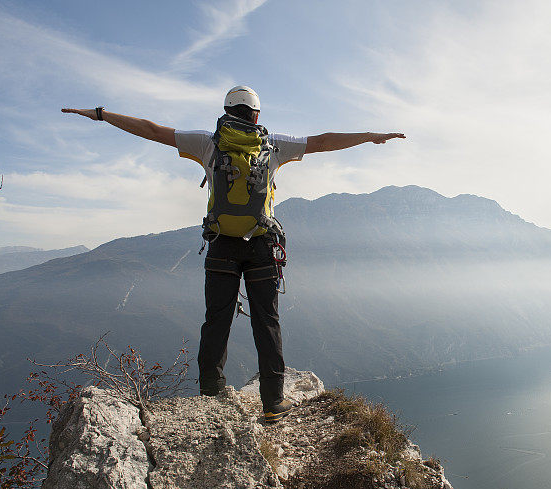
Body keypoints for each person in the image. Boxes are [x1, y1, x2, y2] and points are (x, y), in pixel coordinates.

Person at [62, 86, 405, 423]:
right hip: (261, 245)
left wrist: (101, 114)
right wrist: (371, 136)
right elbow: (325, 141)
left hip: (221, 245)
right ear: (257, 114)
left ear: (226, 111)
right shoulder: (274, 145)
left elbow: (151, 130)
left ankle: (212, 395)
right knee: (266, 321)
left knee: (217, 320)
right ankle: (273, 401)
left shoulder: (207, 142)